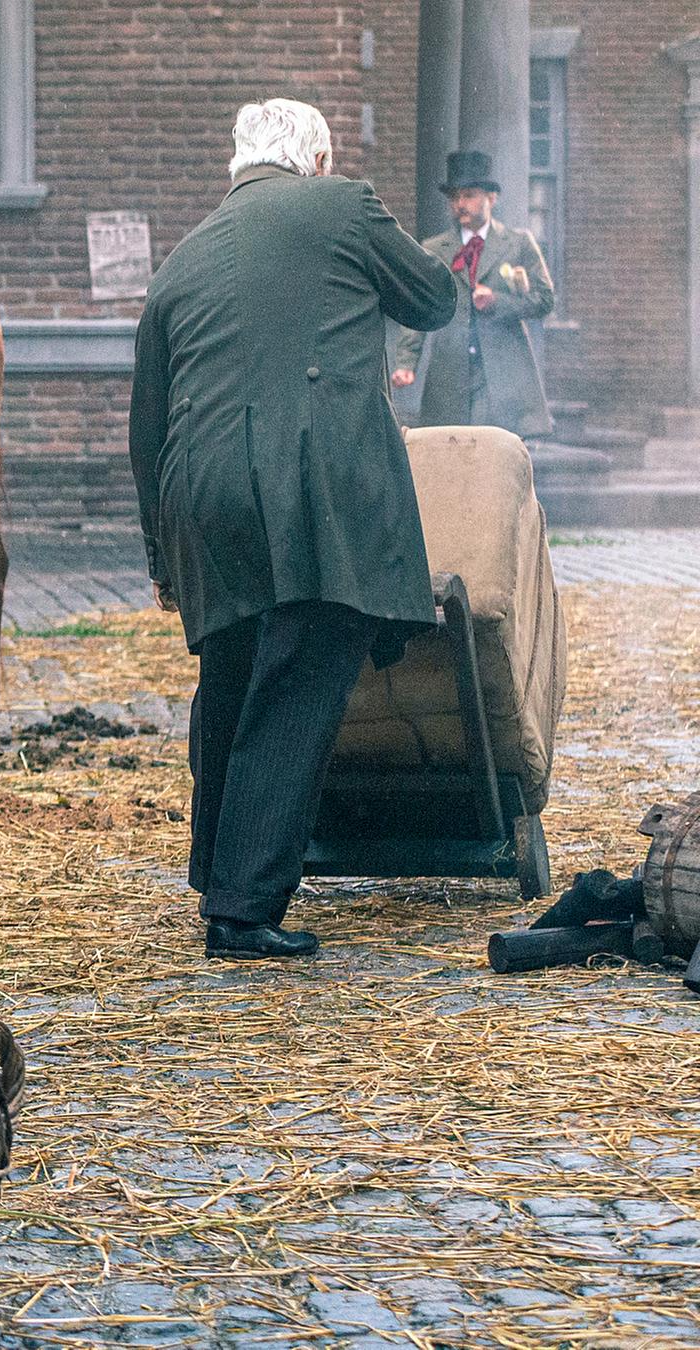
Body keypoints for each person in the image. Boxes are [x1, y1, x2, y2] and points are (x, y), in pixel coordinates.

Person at [128, 99, 457, 960]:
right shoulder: (344, 204)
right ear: (314, 159)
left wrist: (163, 553)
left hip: (197, 491)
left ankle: (215, 871)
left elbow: (145, 420)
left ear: (237, 162)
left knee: (232, 676)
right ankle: (242, 906)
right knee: (302, 674)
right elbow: (433, 300)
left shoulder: (181, 258)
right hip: (312, 486)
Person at [392, 150, 555, 437]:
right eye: (454, 197)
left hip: (502, 377)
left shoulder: (517, 245)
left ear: (491, 198)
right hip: (449, 376)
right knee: (450, 460)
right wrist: (406, 362)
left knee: (496, 460)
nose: (460, 204)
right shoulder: (435, 249)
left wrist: (497, 302)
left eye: (469, 195)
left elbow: (544, 299)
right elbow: (418, 306)